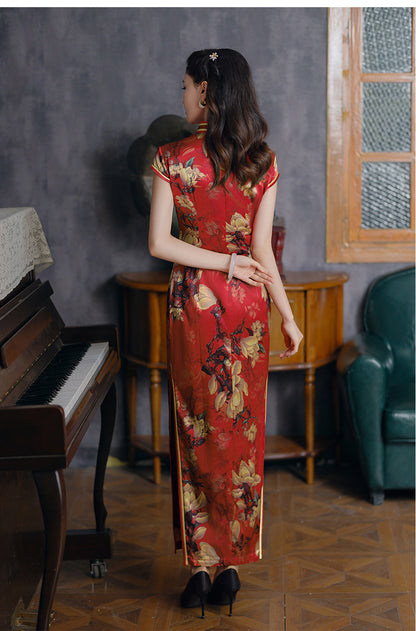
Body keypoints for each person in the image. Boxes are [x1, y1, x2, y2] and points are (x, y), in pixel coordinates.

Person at [149, 48, 303, 618]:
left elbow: (160, 245)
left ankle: (200, 569)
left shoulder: (171, 159)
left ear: (207, 93)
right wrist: (284, 314)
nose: (183, 96)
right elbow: (261, 252)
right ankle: (231, 567)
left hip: (196, 305)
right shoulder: (263, 162)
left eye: (187, 86)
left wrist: (217, 264)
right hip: (246, 313)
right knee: (242, 435)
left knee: (196, 436)